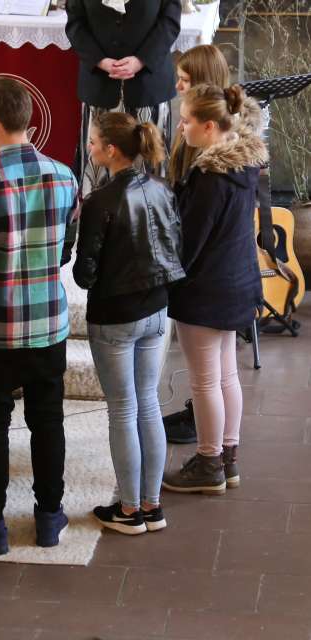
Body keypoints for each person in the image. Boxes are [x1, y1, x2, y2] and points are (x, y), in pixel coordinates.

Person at [0, 78, 78, 555]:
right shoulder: (65, 176)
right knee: (48, 421)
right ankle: (48, 518)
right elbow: (65, 250)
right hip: (47, 324)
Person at [73, 112, 184, 534]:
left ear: (111, 150)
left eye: (93, 141)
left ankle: (128, 510)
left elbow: (85, 275)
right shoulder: (161, 189)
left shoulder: (99, 200)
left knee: (123, 410)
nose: (89, 147)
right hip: (158, 311)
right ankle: (152, 507)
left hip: (117, 317)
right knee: (149, 404)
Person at [162, 84, 267, 495]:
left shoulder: (210, 177)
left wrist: (165, 278)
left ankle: (208, 463)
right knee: (226, 375)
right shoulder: (245, 166)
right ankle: (228, 458)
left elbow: (189, 242)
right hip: (237, 283)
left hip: (207, 289)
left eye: (186, 121)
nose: (181, 128)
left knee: (205, 380)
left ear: (209, 126)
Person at [163, 44, 231, 445]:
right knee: (219, 375)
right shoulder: (203, 136)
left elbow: (195, 223)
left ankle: (210, 454)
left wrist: (171, 270)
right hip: (220, 272)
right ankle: (223, 447)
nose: (177, 86)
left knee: (209, 378)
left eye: (185, 82)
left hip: (205, 275)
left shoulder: (210, 158)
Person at [65, 0, 181, 194]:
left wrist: (141, 60)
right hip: (100, 83)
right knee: (98, 164)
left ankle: (149, 218)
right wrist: (100, 60)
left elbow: (170, 20)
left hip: (148, 83)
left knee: (149, 161)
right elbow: (75, 23)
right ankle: (97, 218)